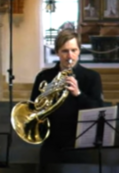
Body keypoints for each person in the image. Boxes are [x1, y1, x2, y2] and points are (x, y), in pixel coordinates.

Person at [30, 29, 106, 164]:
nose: (69, 56)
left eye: (74, 50)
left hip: (80, 146)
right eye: (65, 51)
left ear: (79, 51)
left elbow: (98, 110)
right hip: (51, 145)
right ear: (57, 52)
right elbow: (33, 109)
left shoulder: (92, 77)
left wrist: (78, 94)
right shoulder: (44, 77)